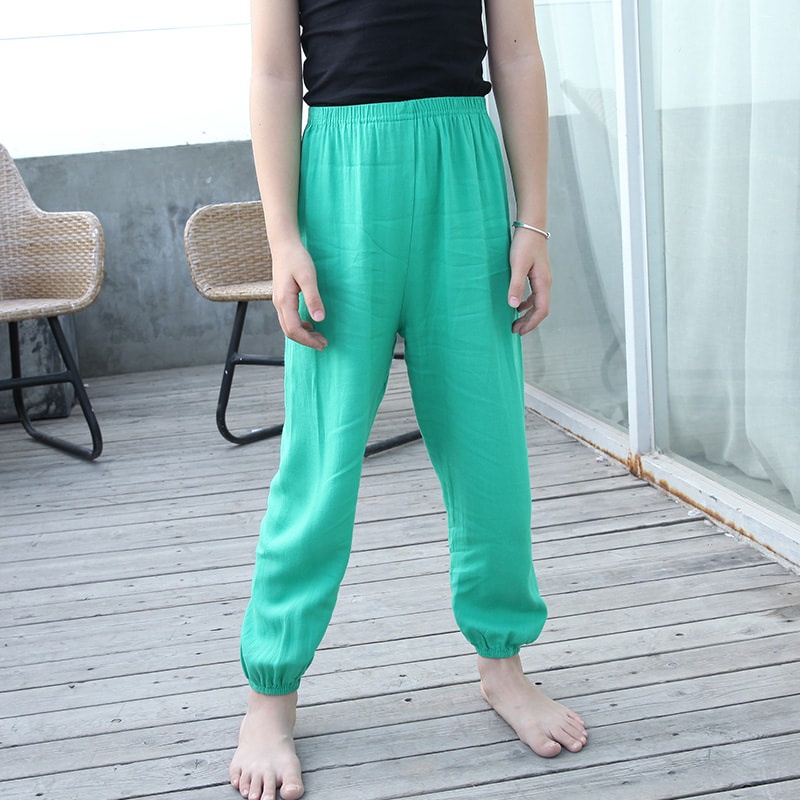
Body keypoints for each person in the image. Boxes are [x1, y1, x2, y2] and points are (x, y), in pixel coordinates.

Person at [230, 1, 588, 798]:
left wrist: (533, 222)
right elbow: (275, 72)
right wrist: (283, 238)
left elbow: (517, 52)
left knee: (489, 445)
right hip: (340, 185)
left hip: (465, 172)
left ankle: (503, 665)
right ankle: (271, 696)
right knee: (321, 459)